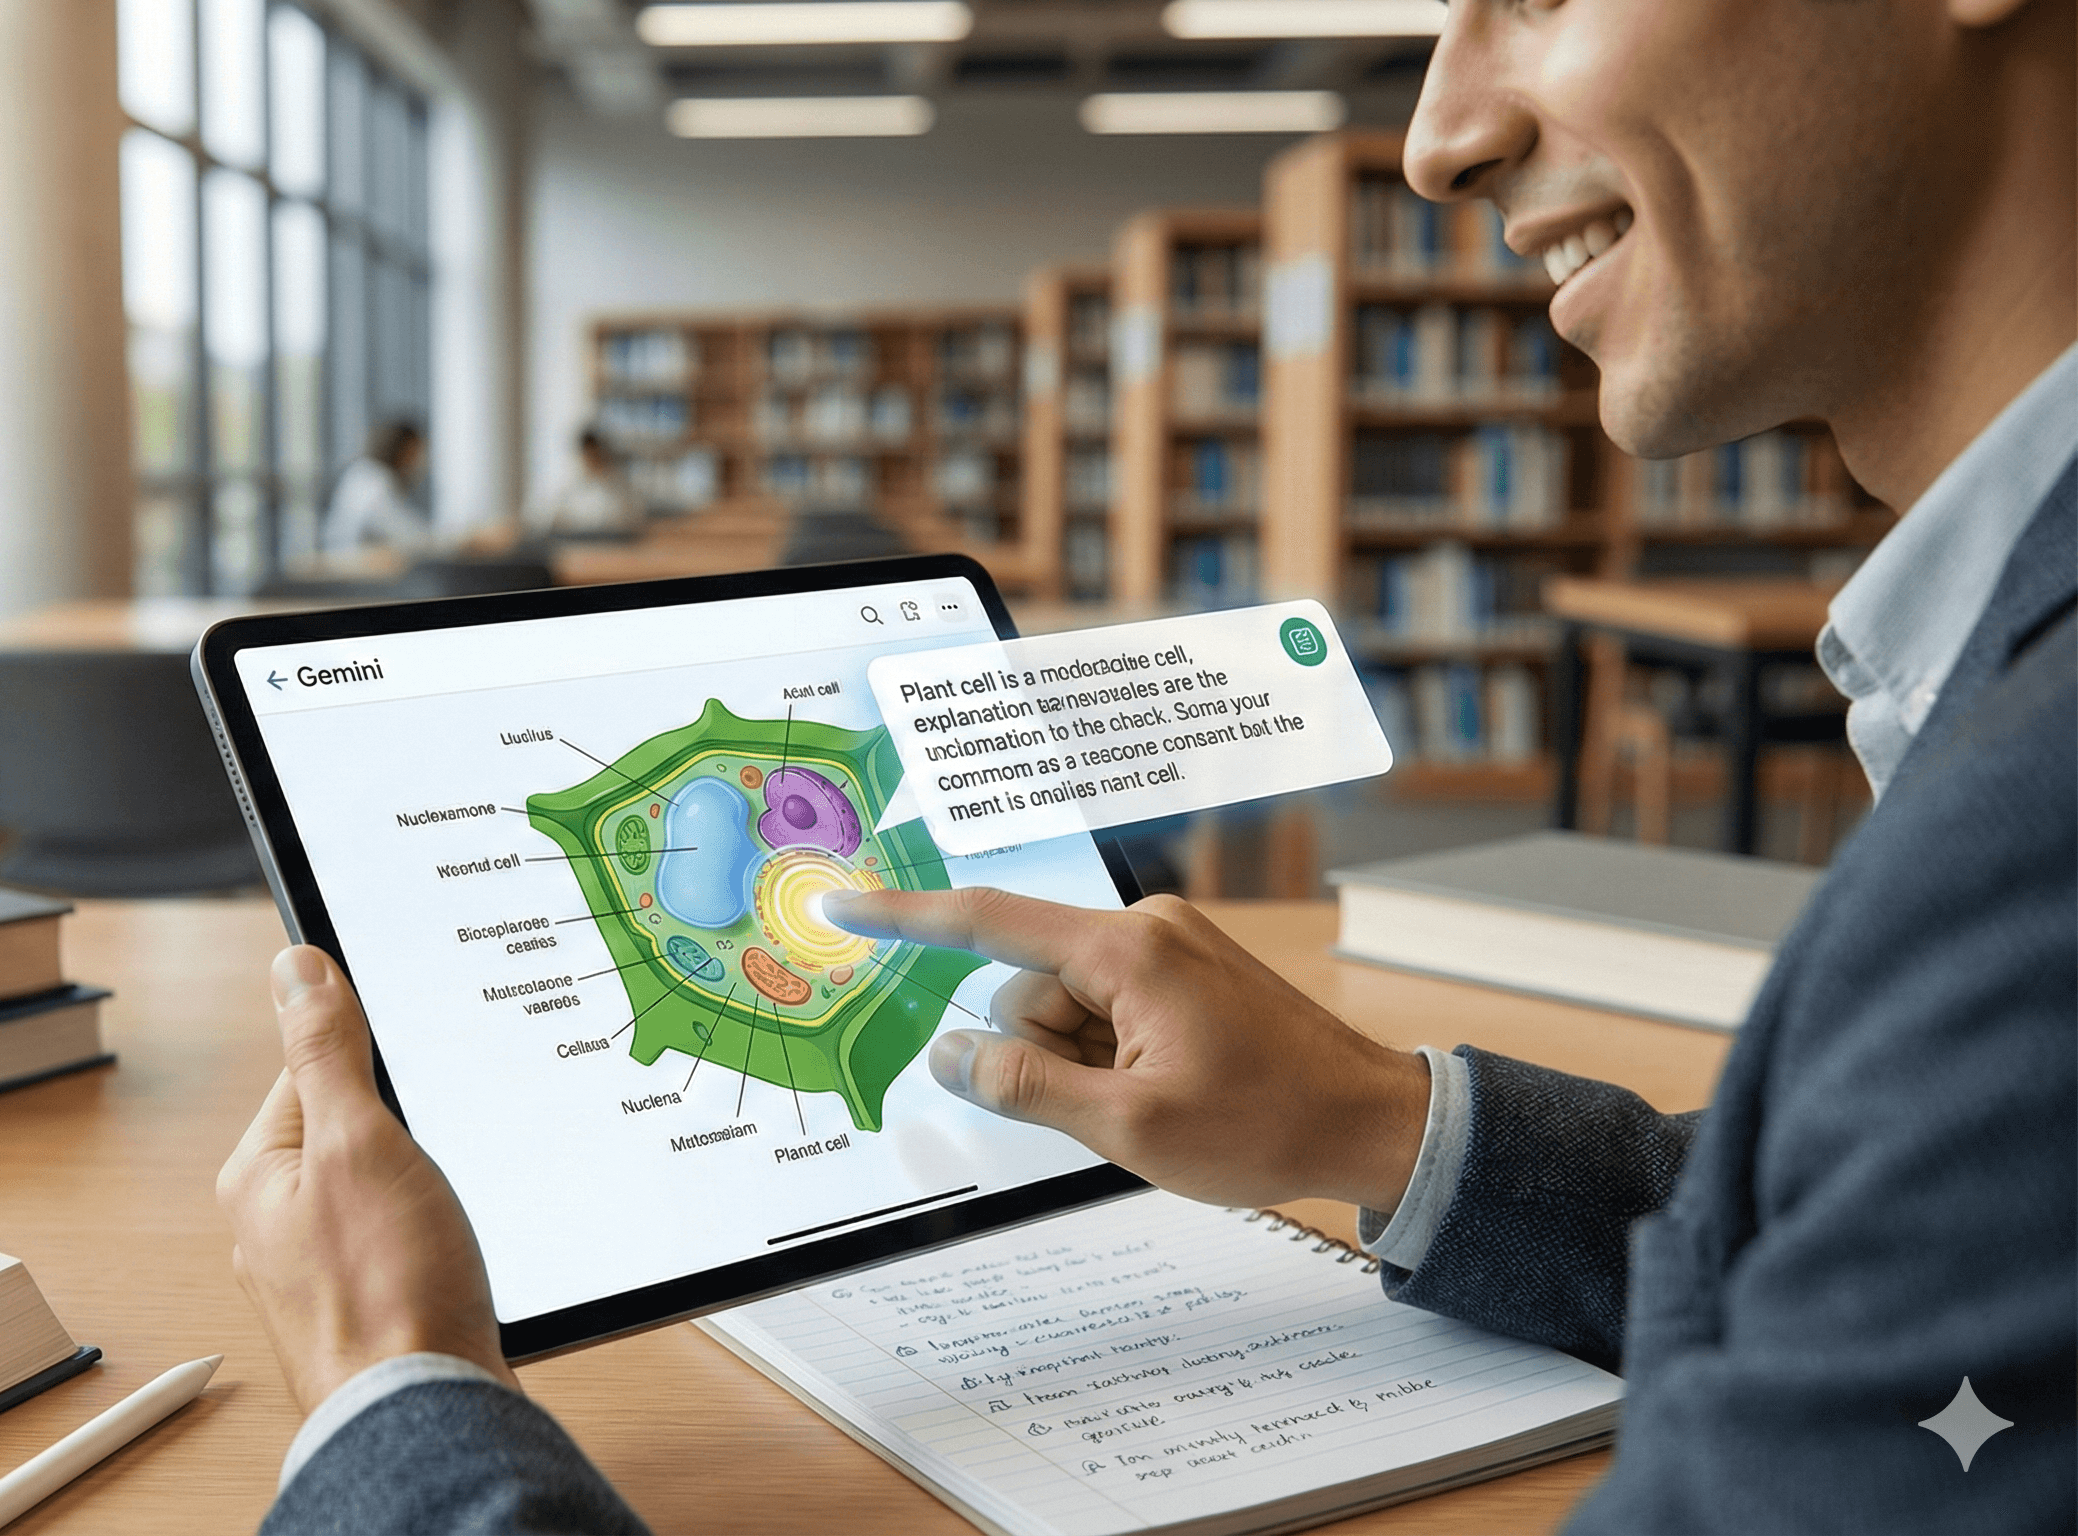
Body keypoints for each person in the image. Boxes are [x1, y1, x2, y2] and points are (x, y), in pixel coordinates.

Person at [220, 0, 2075, 1529]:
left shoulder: (2033, 840)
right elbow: (1880, 1240)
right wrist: (1376, 1122)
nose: (1435, 133)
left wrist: (397, 1396)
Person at [321, 419, 432, 558]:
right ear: (402, 450)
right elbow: (401, 530)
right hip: (350, 566)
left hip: (346, 558)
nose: (418, 463)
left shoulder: (364, 472)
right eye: (415, 453)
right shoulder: (374, 481)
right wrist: (442, 541)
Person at [526, 428, 648, 541]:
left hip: (610, 548)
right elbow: (543, 516)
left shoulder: (620, 486)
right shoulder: (569, 483)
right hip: (574, 547)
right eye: (588, 454)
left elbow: (631, 521)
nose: (591, 459)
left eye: (596, 454)